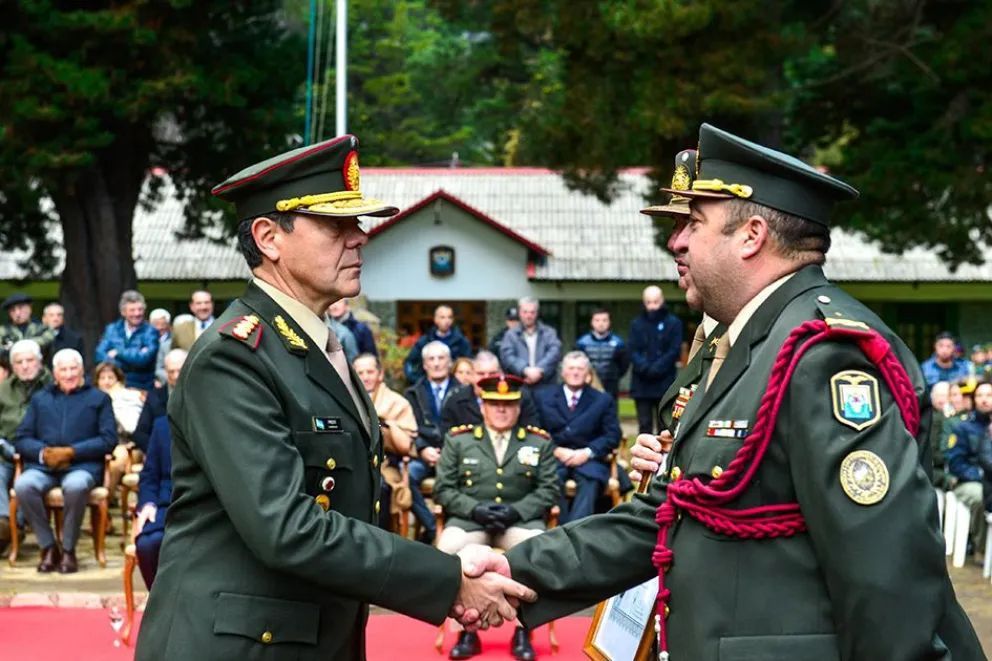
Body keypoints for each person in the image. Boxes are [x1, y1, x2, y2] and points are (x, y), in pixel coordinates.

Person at [499, 123, 982, 659]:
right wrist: (509, 571)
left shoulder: (823, 355)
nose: (675, 240)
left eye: (695, 224)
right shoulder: (749, 342)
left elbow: (886, 578)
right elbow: (674, 510)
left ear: (751, 236)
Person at [135, 135, 532, 661]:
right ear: (269, 237)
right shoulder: (235, 357)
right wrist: (447, 580)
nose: (360, 239)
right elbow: (286, 527)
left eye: (359, 224)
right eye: (336, 225)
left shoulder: (315, 344)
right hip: (238, 645)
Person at [434, 374, 558, 661]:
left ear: (518, 407)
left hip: (519, 520)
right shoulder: (459, 440)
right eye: (494, 403)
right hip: (470, 520)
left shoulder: (539, 442)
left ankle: (524, 630)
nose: (501, 410)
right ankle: (467, 631)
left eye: (508, 404)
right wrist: (474, 509)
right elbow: (443, 489)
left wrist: (518, 510)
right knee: (450, 548)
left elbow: (549, 489)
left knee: (536, 550)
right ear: (483, 407)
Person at [13, 348, 116, 573]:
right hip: (44, 466)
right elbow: (21, 437)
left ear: (81, 370)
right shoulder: (41, 399)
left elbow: (109, 440)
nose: (69, 374)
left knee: (76, 485)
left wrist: (71, 452)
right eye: (63, 369)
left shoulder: (99, 398)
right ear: (55, 373)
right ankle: (49, 546)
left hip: (82, 466)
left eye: (73, 368)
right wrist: (44, 453)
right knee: (23, 485)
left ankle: (68, 549)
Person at [535, 352, 620, 523]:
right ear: (563, 372)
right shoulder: (543, 397)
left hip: (589, 459)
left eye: (580, 369)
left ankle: (576, 530)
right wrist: (556, 450)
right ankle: (561, 532)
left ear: (588, 373)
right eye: (571, 368)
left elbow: (612, 435)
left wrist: (587, 453)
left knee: (591, 479)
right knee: (550, 480)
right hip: (553, 458)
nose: (575, 372)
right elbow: (536, 432)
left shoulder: (602, 400)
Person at [353, 352, 417, 530]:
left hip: (385, 467)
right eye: (360, 373)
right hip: (351, 463)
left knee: (378, 487)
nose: (365, 377)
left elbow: (406, 447)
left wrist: (387, 425)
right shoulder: (346, 398)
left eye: (370, 372)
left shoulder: (397, 403)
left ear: (380, 374)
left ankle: (379, 540)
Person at [0, 340, 52, 554]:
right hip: (5, 449)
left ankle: (17, 525)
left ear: (39, 362)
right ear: (12, 366)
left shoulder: (53, 385)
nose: (25, 366)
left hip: (39, 451)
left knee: (27, 478)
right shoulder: (3, 389)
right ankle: (4, 523)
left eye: (29, 360)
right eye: (19, 362)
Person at [404, 340, 459, 543]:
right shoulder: (412, 393)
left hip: (455, 456)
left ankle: (455, 526)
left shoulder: (463, 391)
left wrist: (450, 451)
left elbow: (469, 427)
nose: (436, 363)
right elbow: (409, 427)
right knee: (405, 477)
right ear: (424, 364)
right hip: (424, 456)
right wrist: (422, 448)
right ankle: (432, 528)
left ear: (449, 362)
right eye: (431, 359)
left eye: (441, 358)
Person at [628, 285, 683, 434]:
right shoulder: (636, 324)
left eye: (655, 302)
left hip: (665, 382)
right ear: (644, 302)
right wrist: (646, 368)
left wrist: (658, 367)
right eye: (648, 302)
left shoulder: (674, 323)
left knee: (664, 426)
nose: (652, 306)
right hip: (642, 383)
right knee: (644, 425)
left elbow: (674, 350)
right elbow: (632, 350)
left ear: (662, 301)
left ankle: (663, 457)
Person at [945, 380, 992, 555]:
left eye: (989, 395)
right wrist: (981, 476)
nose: (984, 400)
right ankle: (983, 549)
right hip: (969, 481)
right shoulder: (963, 428)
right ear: (974, 400)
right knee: (982, 497)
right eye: (980, 395)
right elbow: (956, 464)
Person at [442, 351, 541, 430]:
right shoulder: (456, 400)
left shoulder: (520, 396)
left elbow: (531, 434)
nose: (486, 379)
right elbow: (447, 439)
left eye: (492, 373)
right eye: (481, 374)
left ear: (501, 373)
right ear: (471, 375)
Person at [95, 290, 159, 390]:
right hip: (113, 385)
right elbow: (99, 355)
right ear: (123, 312)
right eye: (132, 310)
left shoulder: (151, 331)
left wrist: (118, 352)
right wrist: (122, 365)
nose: (137, 313)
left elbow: (143, 360)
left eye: (140, 309)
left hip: (141, 386)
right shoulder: (112, 329)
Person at [499, 297, 562, 388]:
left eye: (532, 312)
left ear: (537, 313)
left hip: (545, 384)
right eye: (525, 312)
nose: (528, 316)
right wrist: (525, 370)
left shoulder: (549, 333)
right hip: (519, 385)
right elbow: (507, 356)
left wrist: (539, 370)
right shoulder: (510, 335)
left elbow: (555, 352)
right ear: (520, 312)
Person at [133, 349, 187, 453]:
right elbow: (140, 434)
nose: (176, 376)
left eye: (180, 370)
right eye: (171, 371)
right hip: (164, 455)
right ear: (166, 372)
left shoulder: (200, 394)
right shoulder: (154, 397)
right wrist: (157, 452)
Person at [404, 304, 472, 383]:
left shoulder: (461, 342)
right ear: (436, 319)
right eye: (442, 317)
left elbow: (468, 363)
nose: (446, 321)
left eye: (449, 317)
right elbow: (410, 363)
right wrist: (417, 381)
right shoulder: (425, 340)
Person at [574, 309, 629, 401]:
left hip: (611, 386)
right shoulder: (582, 343)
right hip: (588, 385)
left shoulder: (618, 343)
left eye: (604, 320)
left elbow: (624, 364)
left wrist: (614, 375)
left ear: (609, 322)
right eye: (597, 320)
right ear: (592, 322)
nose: (601, 323)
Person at [0, 293, 55, 362]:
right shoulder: (3, 330)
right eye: (13, 310)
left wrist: (15, 345)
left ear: (29, 308)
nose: (17, 313)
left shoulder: (42, 328)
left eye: (20, 308)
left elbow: (47, 340)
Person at [148, 308, 172, 385]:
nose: (159, 328)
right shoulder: (145, 339)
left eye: (163, 324)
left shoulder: (173, 341)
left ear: (168, 325)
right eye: (156, 324)